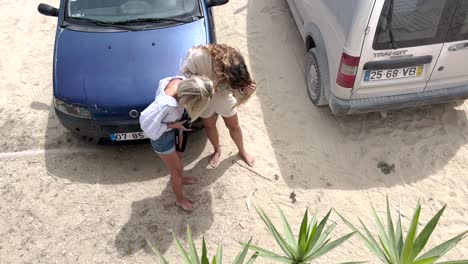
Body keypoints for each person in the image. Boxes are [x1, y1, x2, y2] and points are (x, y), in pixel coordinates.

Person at [140, 76, 214, 211]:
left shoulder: (180, 81)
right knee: (176, 170)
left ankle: (179, 178)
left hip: (173, 131)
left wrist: (176, 126)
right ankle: (180, 199)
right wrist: (174, 125)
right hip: (161, 139)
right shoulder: (165, 104)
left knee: (179, 160)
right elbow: (146, 125)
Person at [181, 44, 257, 168]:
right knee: (209, 126)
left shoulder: (236, 62)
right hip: (204, 99)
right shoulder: (197, 56)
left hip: (224, 98)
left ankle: (242, 150)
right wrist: (205, 83)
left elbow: (235, 92)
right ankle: (217, 150)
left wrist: (244, 91)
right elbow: (185, 73)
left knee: (234, 126)